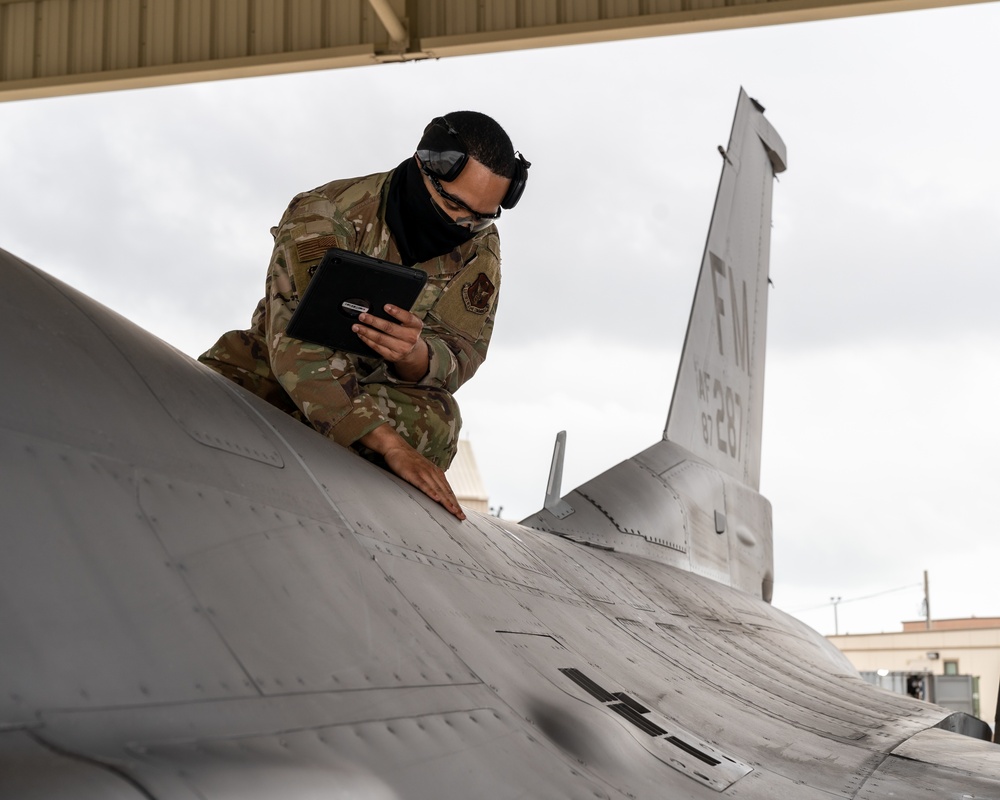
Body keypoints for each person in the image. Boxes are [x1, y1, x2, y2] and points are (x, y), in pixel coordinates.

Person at [199, 111, 529, 521]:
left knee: (438, 422)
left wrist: (416, 356)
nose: (464, 224)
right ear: (423, 165)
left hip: (383, 391)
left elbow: (464, 352)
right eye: (452, 204)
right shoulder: (327, 212)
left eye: (482, 216)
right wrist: (391, 446)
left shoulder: (480, 245)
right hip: (281, 377)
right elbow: (298, 353)